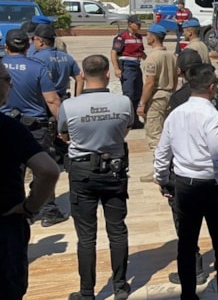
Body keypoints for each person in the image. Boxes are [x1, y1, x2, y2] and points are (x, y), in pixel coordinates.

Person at [154, 63, 218, 300]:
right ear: (212, 88)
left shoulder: (175, 115)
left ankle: (188, 295)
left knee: (186, 245)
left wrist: (162, 180)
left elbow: (162, 153)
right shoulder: (213, 117)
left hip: (184, 186)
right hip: (212, 188)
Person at [58, 55, 134, 300]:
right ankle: (120, 286)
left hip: (82, 173)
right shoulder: (123, 102)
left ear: (82, 75)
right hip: (114, 171)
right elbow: (126, 129)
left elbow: (64, 135)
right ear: (107, 74)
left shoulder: (70, 106)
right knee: (117, 230)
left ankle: (87, 292)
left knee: (86, 237)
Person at [163, 49, 218, 286]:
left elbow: (167, 142)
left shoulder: (178, 99)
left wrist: (163, 177)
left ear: (181, 72)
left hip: (185, 175)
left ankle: (195, 269)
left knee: (186, 231)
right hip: (216, 172)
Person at [0, 62, 60, 300]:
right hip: (5, 224)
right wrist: (30, 207)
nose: (11, 85)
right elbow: (48, 170)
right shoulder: (9, 128)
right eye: (7, 80)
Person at [1, 28, 67, 227]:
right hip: (35, 128)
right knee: (41, 168)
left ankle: (14, 210)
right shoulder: (37, 68)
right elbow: (52, 100)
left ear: (6, 46)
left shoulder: (1, 67)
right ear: (27, 46)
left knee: (11, 172)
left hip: (5, 127)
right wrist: (64, 127)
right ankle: (48, 211)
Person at [138, 24, 177, 182]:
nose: (146, 37)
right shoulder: (170, 56)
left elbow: (149, 83)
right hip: (168, 95)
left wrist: (142, 103)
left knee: (154, 134)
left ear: (153, 37)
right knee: (165, 133)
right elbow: (175, 79)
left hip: (156, 97)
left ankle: (159, 171)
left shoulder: (152, 58)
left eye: (148, 35)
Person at [111, 15, 146, 129]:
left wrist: (149, 60)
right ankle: (127, 121)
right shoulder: (122, 37)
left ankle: (135, 120)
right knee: (129, 95)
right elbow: (114, 53)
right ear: (130, 24)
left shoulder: (139, 37)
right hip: (127, 68)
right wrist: (116, 68)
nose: (139, 26)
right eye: (137, 24)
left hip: (136, 67)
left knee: (138, 93)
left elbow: (141, 53)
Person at [31, 24, 84, 99]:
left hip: (44, 100)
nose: (33, 42)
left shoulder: (36, 59)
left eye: (34, 39)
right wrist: (77, 99)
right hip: (62, 99)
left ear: (40, 41)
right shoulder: (67, 58)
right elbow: (80, 79)